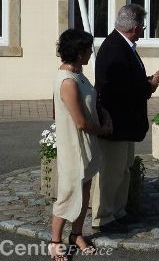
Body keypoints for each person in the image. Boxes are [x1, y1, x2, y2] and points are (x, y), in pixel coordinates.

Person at [92, 4, 159, 233]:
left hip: (125, 123)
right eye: (142, 25)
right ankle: (103, 217)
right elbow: (117, 89)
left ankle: (118, 212)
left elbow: (127, 83)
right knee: (111, 172)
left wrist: (145, 84)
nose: (143, 29)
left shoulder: (124, 45)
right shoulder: (114, 48)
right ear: (134, 27)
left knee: (123, 170)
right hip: (116, 123)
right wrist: (148, 86)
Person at [50, 29, 112, 261]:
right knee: (68, 193)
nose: (90, 53)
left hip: (85, 145)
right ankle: (55, 242)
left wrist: (104, 112)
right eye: (87, 50)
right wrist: (104, 129)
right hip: (74, 146)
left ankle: (76, 234)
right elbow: (81, 122)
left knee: (84, 190)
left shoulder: (79, 75)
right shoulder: (67, 81)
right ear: (78, 53)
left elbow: (91, 102)